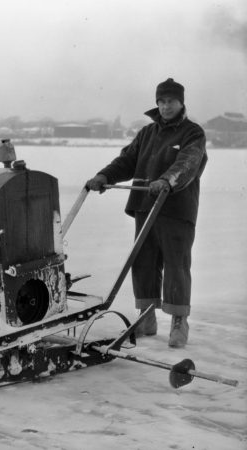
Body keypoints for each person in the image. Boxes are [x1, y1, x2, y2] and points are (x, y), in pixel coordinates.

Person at [86, 78, 207, 348]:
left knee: (177, 264)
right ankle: (147, 316)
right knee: (144, 262)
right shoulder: (147, 133)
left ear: (181, 103)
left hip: (176, 208)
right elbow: (127, 160)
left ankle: (178, 321)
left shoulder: (193, 133)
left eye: (170, 102)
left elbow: (188, 163)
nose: (165, 107)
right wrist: (105, 175)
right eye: (161, 102)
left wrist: (167, 180)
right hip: (145, 206)